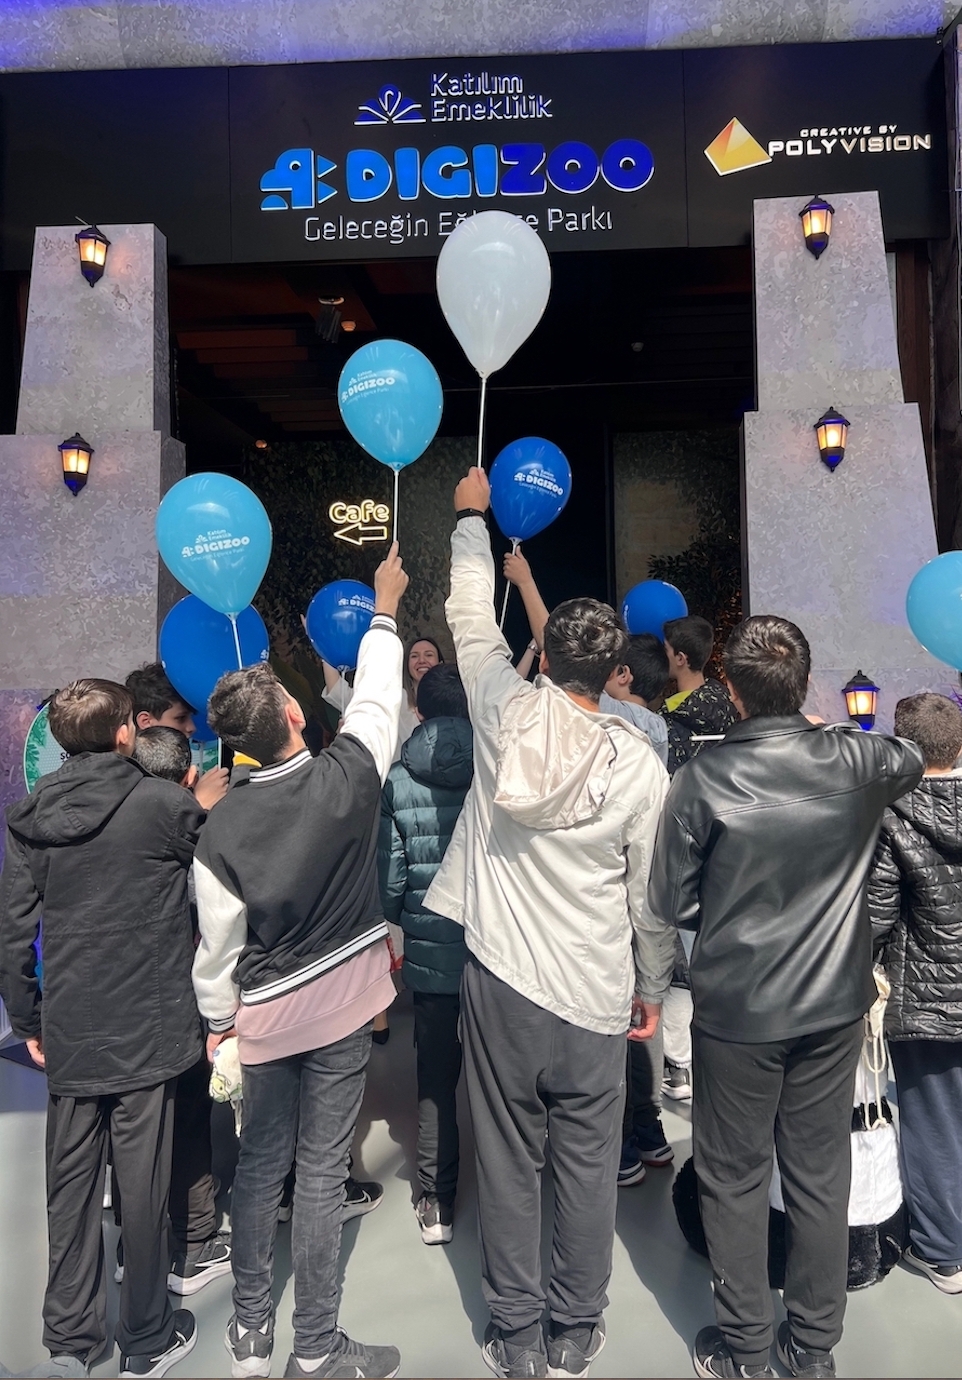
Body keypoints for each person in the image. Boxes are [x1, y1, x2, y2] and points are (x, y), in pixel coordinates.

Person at [425, 470, 671, 1380]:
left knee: (506, 1158)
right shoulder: (638, 764)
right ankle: (576, 1327)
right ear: (612, 672)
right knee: (587, 1161)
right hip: (596, 987)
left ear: (549, 654)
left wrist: (469, 519)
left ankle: (517, 1336)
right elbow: (649, 895)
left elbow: (468, 615)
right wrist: (651, 985)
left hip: (500, 981)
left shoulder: (500, 708)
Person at [641, 615, 924, 1380]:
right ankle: (814, 1349)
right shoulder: (857, 757)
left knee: (732, 1179)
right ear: (804, 684)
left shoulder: (702, 780)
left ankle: (746, 1349)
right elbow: (912, 754)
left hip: (739, 1009)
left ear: (731, 689)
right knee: (818, 1174)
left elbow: (667, 900)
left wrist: (725, 910)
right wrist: (832, 732)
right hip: (832, 1004)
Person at [193, 544, 408, 1380]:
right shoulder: (347, 777)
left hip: (265, 1021)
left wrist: (221, 1026)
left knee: (259, 1166)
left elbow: (218, 949)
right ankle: (316, 1346)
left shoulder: (217, 831)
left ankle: (250, 1332)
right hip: (345, 1010)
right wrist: (383, 611)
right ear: (292, 716)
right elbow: (378, 701)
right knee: (320, 1172)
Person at [0, 679, 205, 1379]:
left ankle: (70, 1343)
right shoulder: (164, 805)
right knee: (142, 1193)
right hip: (149, 1027)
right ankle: (145, 1338)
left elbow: (12, 933)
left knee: (70, 1188)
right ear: (125, 733)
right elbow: (219, 892)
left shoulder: (31, 815)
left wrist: (28, 1018)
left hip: (71, 1028)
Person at [124, 727, 232, 1297]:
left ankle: (133, 1248)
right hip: (174, 995)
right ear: (189, 776)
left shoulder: (114, 823)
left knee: (133, 1131)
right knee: (188, 1116)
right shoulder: (189, 828)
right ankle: (193, 1246)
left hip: (117, 1003)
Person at [868, 692, 962, 1294]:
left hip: (927, 996)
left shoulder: (892, 813)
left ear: (902, 746)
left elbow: (875, 916)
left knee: (933, 1124)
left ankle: (943, 1253)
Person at [378, 663, 473, 1246]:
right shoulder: (497, 764)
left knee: (436, 1077)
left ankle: (437, 1201)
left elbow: (390, 883)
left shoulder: (398, 779)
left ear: (418, 710)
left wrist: (404, 915)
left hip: (432, 954)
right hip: (497, 953)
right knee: (500, 1079)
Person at [504, 548, 670, 765]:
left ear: (622, 674)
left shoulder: (609, 710)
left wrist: (525, 583)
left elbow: (557, 648)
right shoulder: (657, 728)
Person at [125, 662, 229, 811]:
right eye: (180, 718)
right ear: (146, 721)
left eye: (191, 717)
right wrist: (198, 804)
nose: (192, 727)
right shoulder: (129, 780)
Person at [660, 615, 738, 773]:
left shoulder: (669, 715)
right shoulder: (730, 703)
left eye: (666, 649)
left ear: (680, 658)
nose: (663, 655)